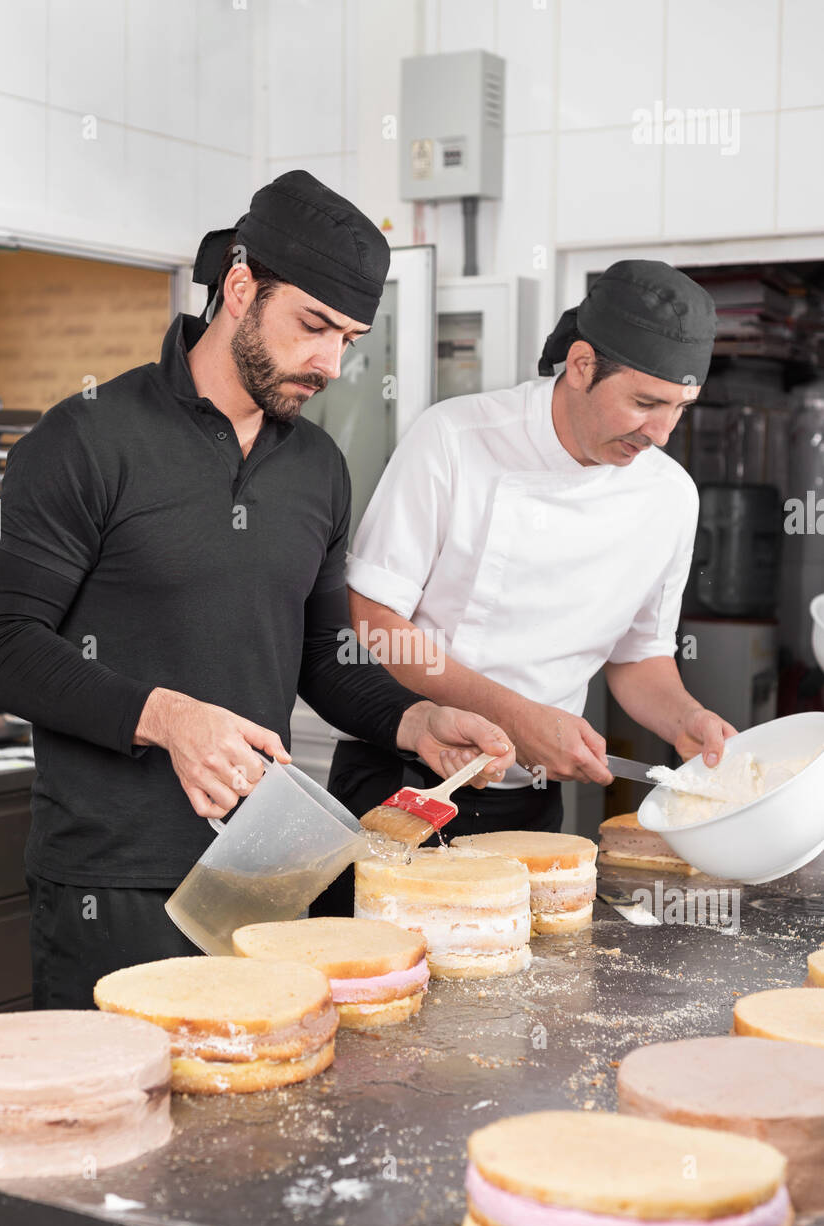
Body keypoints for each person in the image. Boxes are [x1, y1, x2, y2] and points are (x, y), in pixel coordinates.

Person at [0, 170, 515, 1009]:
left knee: (253, 1123)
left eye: (348, 339)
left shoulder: (318, 468)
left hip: (263, 875)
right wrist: (165, 716)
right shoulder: (87, 438)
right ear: (241, 286)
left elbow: (324, 662)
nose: (329, 362)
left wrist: (416, 718)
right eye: (313, 326)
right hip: (113, 882)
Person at [316, 260, 737, 912]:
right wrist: (516, 717)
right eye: (644, 403)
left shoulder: (669, 497)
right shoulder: (455, 438)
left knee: (510, 1001)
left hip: (532, 808)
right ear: (579, 365)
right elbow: (373, 623)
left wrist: (684, 719)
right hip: (403, 782)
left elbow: (638, 658)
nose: (659, 435)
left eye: (678, 409)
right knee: (375, 988)